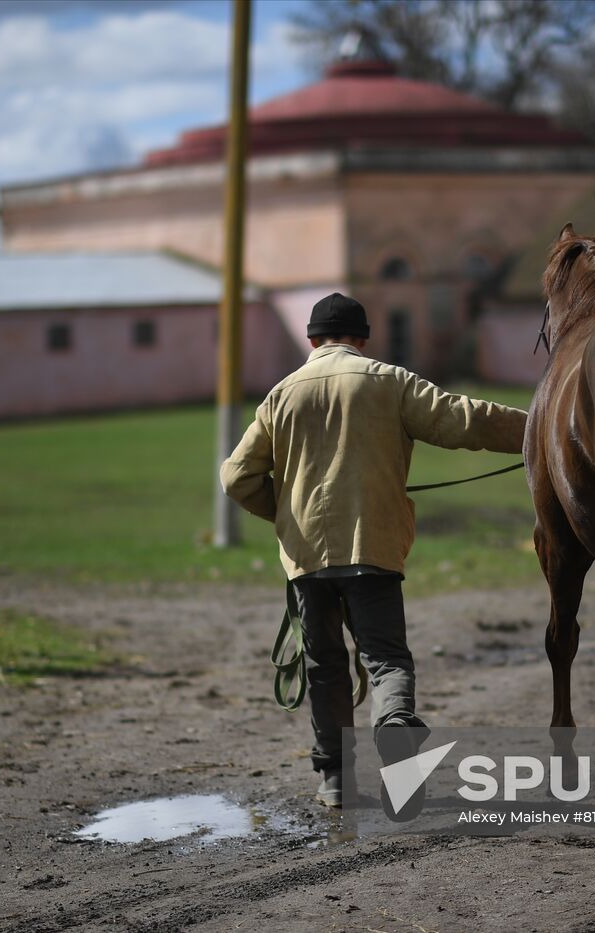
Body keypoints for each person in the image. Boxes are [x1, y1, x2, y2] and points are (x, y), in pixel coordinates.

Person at [219, 292, 528, 808]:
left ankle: (336, 782)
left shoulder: (280, 394)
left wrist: (284, 512)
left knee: (323, 666)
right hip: (373, 547)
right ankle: (399, 745)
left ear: (312, 340)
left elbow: (235, 476)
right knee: (385, 659)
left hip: (307, 557)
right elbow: (465, 420)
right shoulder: (390, 381)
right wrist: (539, 427)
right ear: (362, 339)